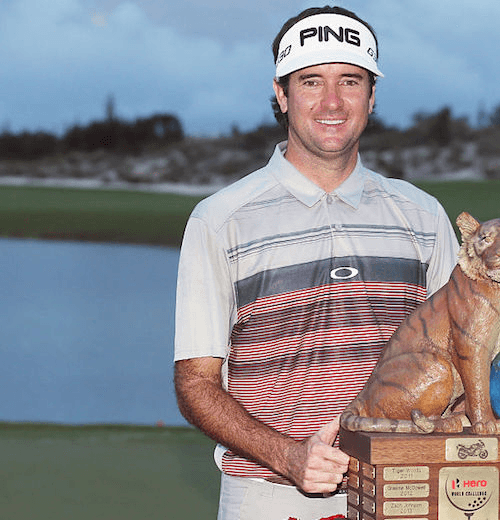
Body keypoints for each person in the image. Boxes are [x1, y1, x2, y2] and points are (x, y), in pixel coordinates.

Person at [172, 6, 459, 519]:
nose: (332, 101)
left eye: (350, 81)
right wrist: (288, 456)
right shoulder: (221, 219)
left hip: (405, 491)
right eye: (310, 82)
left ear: (371, 97)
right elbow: (196, 383)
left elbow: (458, 357)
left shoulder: (424, 216)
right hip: (266, 496)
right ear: (282, 95)